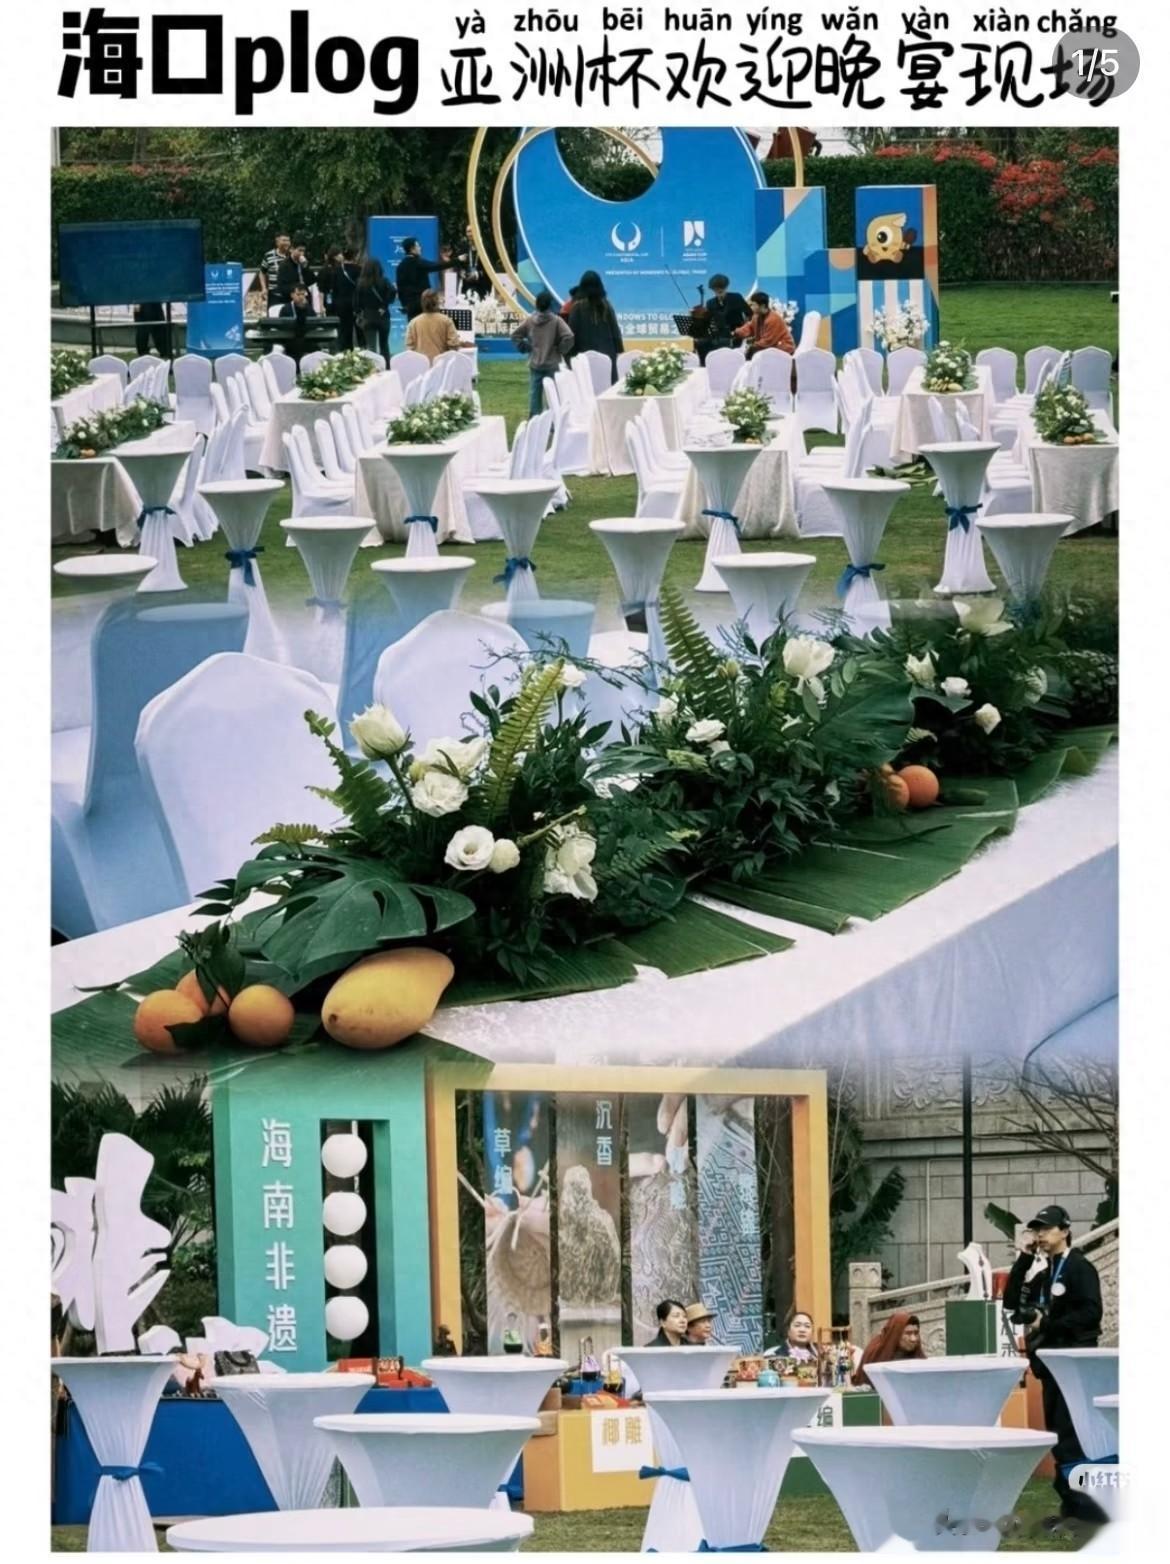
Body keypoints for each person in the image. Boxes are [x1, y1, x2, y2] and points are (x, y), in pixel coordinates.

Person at [1004, 1204, 1107, 1528]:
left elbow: (1091, 1314)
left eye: (1046, 1229)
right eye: (1037, 1230)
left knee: (1074, 1436)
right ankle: (1070, 1507)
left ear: (1064, 1230)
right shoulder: (1044, 1273)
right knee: (1060, 1436)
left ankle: (1085, 1510)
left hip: (1075, 1365)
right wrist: (1024, 1258)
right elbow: (1011, 1303)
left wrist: (1047, 1323)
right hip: (1051, 1367)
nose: (1040, 1235)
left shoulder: (1079, 1267)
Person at [512, 289, 575, 417]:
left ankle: (535, 418)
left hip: (535, 363)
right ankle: (554, 418)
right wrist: (560, 350)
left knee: (535, 393)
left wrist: (526, 348)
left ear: (536, 304)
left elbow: (515, 335)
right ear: (550, 305)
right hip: (553, 363)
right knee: (553, 394)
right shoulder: (556, 321)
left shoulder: (530, 320)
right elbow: (569, 336)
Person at [566, 270, 624, 384]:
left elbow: (571, 335)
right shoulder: (606, 305)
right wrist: (619, 351)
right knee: (607, 387)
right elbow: (615, 332)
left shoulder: (577, 308)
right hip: (608, 359)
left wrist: (570, 357)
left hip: (585, 359)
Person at [852, 1310, 925, 1388]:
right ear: (896, 1333)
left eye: (916, 1333)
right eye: (908, 1333)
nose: (913, 1339)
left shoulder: (916, 1352)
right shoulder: (875, 1352)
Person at [697, 273, 749, 365]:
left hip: (735, 334)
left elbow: (750, 315)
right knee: (700, 343)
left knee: (723, 343)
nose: (719, 291)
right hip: (719, 335)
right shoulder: (710, 303)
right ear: (713, 290)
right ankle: (704, 367)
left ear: (726, 287)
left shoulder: (736, 298)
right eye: (716, 290)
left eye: (722, 289)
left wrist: (744, 330)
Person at [317, 246, 360, 351]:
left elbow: (334, 289)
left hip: (339, 303)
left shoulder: (339, 269)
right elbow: (323, 289)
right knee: (347, 329)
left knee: (345, 330)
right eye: (339, 254)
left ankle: (345, 350)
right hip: (346, 303)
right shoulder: (327, 270)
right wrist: (322, 305)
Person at [355, 259, 396, 365]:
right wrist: (384, 306)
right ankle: (386, 366)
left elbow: (357, 302)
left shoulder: (361, 283)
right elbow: (393, 292)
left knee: (371, 346)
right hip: (383, 316)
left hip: (368, 316)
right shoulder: (384, 281)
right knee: (384, 345)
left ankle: (373, 367)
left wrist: (359, 312)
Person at [406, 290, 464, 364]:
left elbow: (409, 348)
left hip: (421, 366)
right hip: (441, 365)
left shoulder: (413, 323)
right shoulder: (446, 321)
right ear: (437, 302)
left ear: (422, 303)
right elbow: (454, 345)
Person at [734, 291, 797, 359]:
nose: (751, 307)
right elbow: (749, 328)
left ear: (763, 306)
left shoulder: (773, 319)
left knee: (753, 353)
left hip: (784, 349)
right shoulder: (756, 317)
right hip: (770, 348)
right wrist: (736, 332)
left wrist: (753, 347)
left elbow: (768, 341)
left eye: (753, 305)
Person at [396, 237, 446, 321]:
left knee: (413, 326)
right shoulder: (419, 262)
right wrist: (457, 260)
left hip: (410, 305)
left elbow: (400, 287)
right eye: (418, 246)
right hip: (423, 303)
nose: (420, 248)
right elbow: (437, 266)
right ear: (412, 248)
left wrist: (404, 304)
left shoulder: (401, 266)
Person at [277, 286, 318, 368]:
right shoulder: (286, 309)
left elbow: (314, 323)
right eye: (298, 294)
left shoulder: (309, 308)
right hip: (291, 340)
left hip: (307, 339)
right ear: (292, 295)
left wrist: (304, 309)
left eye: (303, 294)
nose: (301, 297)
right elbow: (283, 326)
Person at [260, 233, 291, 308]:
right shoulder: (269, 255)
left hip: (290, 294)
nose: (287, 243)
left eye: (288, 240)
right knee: (273, 313)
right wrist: (264, 288)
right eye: (284, 240)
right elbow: (262, 272)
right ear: (277, 242)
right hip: (274, 294)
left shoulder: (292, 255)